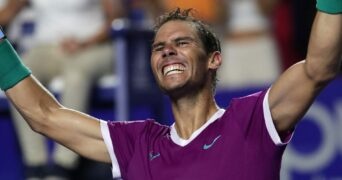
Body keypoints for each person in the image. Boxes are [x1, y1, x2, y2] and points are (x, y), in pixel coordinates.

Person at [0, 0, 341, 179]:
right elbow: (45, 116)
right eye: (158, 46)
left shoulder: (250, 122)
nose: (167, 51)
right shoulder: (137, 145)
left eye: (182, 43)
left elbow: (318, 67)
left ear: (213, 60)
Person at [1, 0, 124, 179]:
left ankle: (64, 165)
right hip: (46, 48)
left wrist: (85, 43)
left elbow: (116, 18)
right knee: (18, 72)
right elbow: (7, 12)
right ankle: (35, 165)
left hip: (92, 46)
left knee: (75, 76)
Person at [218, 0, 281, 89]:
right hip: (233, 47)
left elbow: (269, 9)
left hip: (261, 46)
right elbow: (219, 18)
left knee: (269, 90)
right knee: (230, 92)